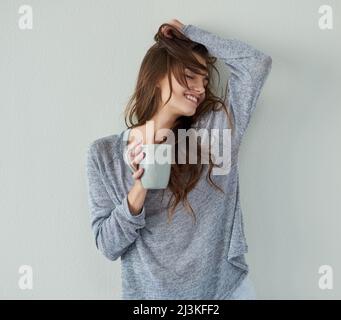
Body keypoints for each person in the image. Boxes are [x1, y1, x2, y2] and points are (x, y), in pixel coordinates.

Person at [86, 19, 272, 299]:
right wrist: (140, 188)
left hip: (222, 293)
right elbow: (108, 246)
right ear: (157, 77)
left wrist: (190, 34)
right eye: (189, 76)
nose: (199, 88)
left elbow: (256, 64)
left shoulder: (213, 135)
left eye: (204, 80)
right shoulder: (104, 155)